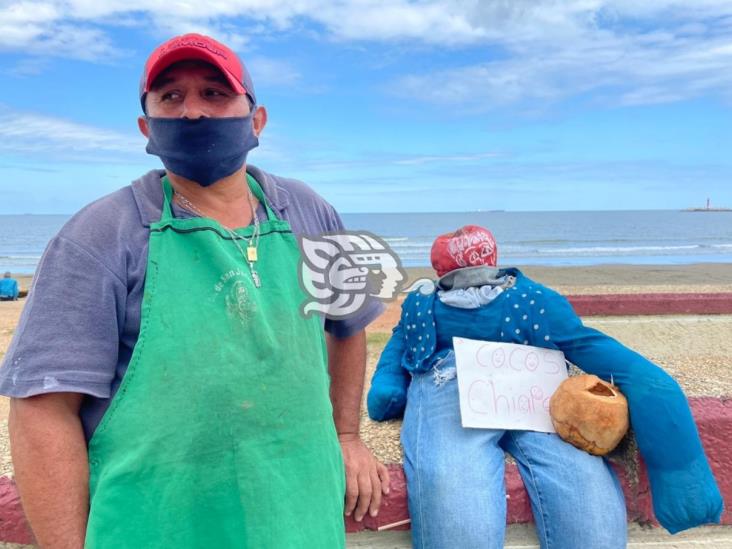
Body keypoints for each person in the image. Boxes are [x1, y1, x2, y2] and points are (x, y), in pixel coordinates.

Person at [1, 33, 389, 548]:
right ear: (146, 128)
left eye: (213, 93)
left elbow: (350, 323)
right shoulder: (97, 236)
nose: (192, 114)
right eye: (171, 97)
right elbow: (41, 410)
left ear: (257, 121)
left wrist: (346, 435)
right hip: (156, 524)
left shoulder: (311, 211)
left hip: (300, 512)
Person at [368, 225, 722, 549]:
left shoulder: (437, 304)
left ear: (438, 271)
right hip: (516, 382)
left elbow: (397, 349)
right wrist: (661, 406)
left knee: (463, 494)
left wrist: (387, 394)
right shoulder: (533, 301)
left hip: (520, 383)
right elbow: (594, 348)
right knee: (460, 497)